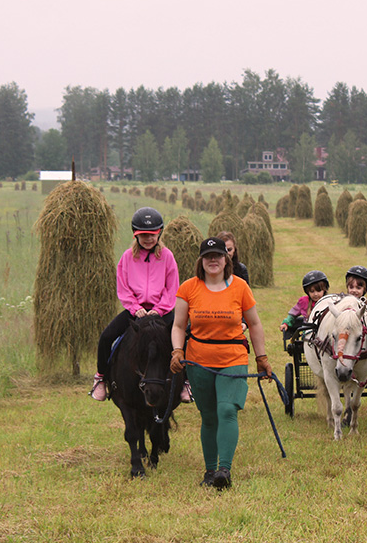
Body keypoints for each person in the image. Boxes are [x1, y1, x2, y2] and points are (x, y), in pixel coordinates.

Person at [170, 237, 271, 490]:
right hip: (198, 361)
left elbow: (255, 324)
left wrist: (261, 357)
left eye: (218, 255)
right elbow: (179, 325)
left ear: (226, 259)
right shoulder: (188, 288)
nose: (213, 260)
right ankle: (209, 470)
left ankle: (224, 471)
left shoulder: (240, 287)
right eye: (208, 256)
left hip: (232, 358)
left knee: (227, 409)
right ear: (201, 261)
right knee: (208, 415)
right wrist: (177, 350)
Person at [92, 207, 187, 402]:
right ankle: (101, 378)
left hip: (162, 310)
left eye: (152, 235)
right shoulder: (127, 257)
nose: (148, 239)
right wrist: (136, 309)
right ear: (136, 235)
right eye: (143, 235)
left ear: (159, 233)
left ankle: (187, 381)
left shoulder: (167, 257)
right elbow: (123, 287)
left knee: (186, 337)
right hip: (136, 311)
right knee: (106, 336)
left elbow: (172, 287)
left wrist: (158, 310)